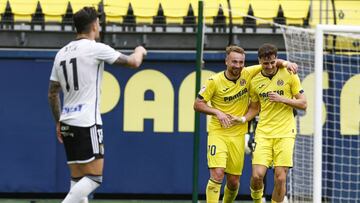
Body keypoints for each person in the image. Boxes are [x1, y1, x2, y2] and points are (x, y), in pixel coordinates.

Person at [47, 7, 147, 203]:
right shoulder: (95, 48)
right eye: (98, 23)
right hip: (86, 122)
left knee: (78, 181)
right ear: (94, 25)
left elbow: (52, 93)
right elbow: (134, 62)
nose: (99, 26)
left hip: (67, 120)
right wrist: (140, 50)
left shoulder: (61, 54)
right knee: (94, 178)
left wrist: (58, 122)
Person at [193, 45, 297, 203]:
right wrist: (217, 112)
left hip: (238, 134)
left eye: (241, 62)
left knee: (234, 182)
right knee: (217, 174)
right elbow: (198, 104)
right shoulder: (214, 81)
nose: (238, 65)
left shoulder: (247, 73)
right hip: (218, 133)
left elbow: (270, 62)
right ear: (226, 61)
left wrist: (286, 63)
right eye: (234, 62)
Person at [238, 43, 307, 203]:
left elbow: (303, 104)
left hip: (285, 133)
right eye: (265, 63)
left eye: (272, 62)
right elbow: (255, 108)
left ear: (276, 60)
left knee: (281, 178)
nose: (269, 66)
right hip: (264, 132)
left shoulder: (289, 74)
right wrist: (242, 119)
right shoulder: (254, 80)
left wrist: (282, 98)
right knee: (257, 176)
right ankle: (257, 200)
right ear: (259, 61)